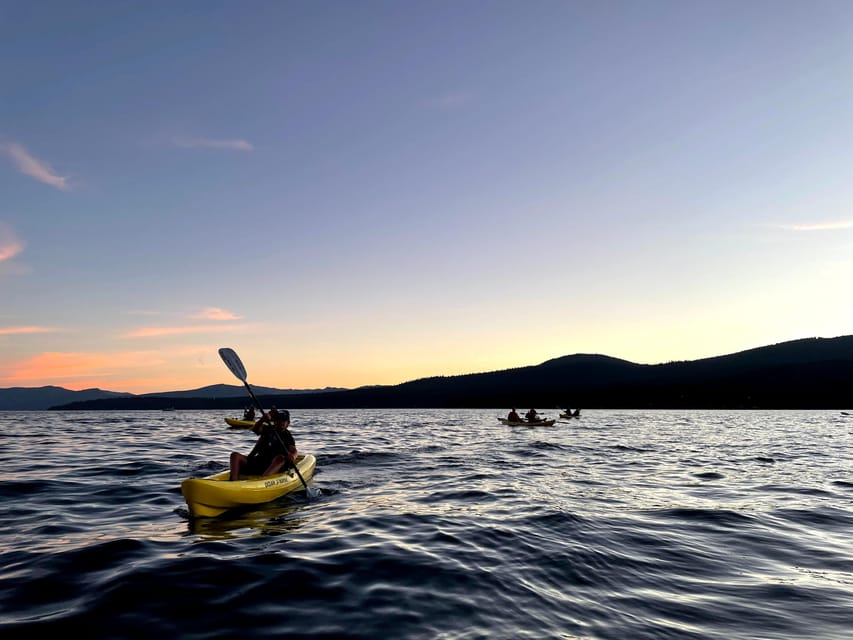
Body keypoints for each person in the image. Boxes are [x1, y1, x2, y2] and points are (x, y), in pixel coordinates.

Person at [229, 408, 297, 480]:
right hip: (259, 462)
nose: (281, 422)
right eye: (279, 419)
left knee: (280, 458)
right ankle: (233, 480)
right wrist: (262, 419)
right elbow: (255, 429)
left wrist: (292, 456)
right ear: (275, 421)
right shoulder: (268, 428)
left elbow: (294, 451)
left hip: (273, 466)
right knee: (234, 455)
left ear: (288, 423)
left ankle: (262, 481)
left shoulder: (287, 435)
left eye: (283, 420)